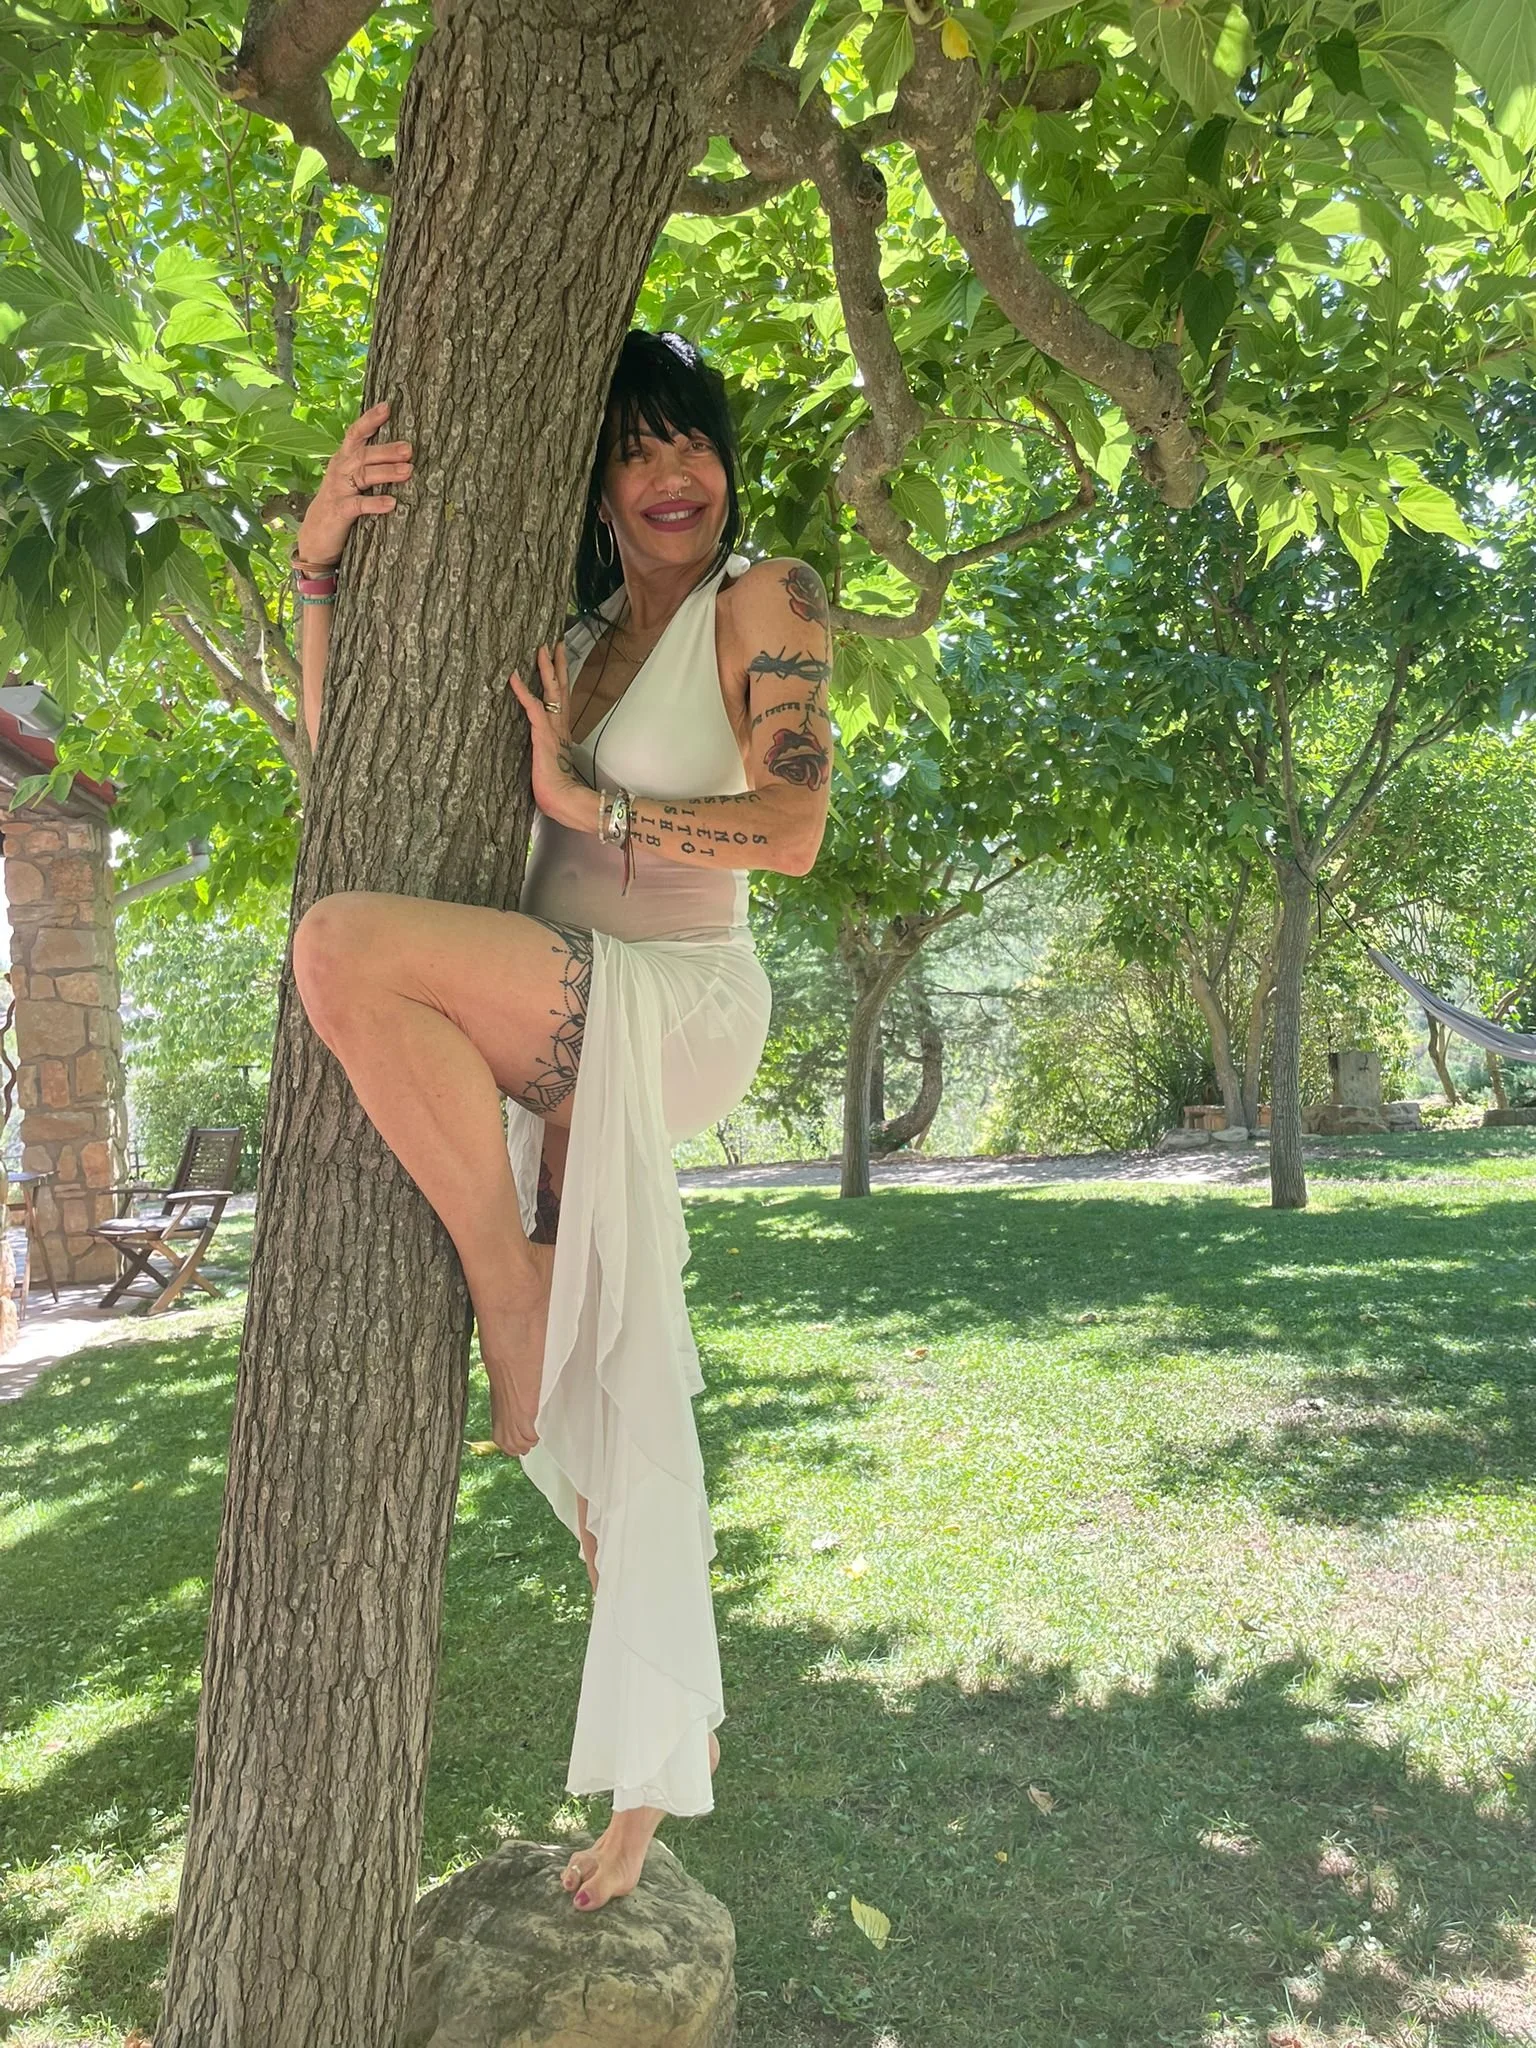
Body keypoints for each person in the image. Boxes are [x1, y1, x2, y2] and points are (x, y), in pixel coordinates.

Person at [287, 330, 832, 1912]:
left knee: (339, 947)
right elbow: (355, 780)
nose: (678, 479)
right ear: (597, 491)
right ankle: (652, 1794)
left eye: (698, 448)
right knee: (605, 1413)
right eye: (640, 454)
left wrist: (591, 805)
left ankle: (500, 1273)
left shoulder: (770, 600)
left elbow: (791, 829)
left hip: (674, 1003)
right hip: (558, 1016)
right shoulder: (574, 636)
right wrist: (317, 572)